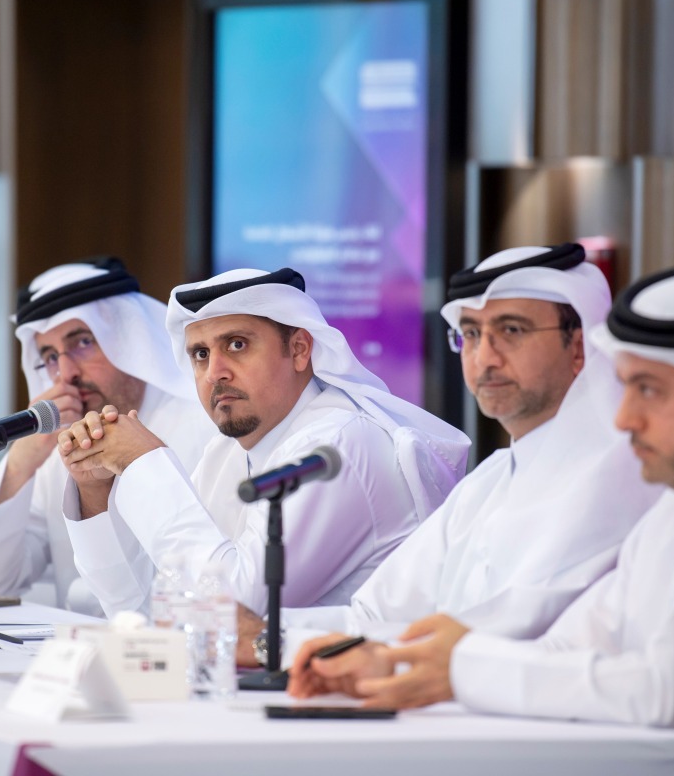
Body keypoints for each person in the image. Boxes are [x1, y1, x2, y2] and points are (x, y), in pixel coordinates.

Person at [290, 262, 674, 776]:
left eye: (649, 391)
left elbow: (666, 691)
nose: (623, 419)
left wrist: (458, 666)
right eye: (624, 389)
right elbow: (578, 640)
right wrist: (391, 663)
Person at [266, 244, 660, 665]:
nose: (484, 358)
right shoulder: (487, 483)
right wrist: (265, 634)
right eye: (471, 334)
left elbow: (500, 639)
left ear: (578, 346)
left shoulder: (620, 474)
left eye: (511, 331)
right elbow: (373, 615)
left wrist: (271, 643)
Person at [58, 267, 471, 624]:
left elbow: (232, 613)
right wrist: (96, 492)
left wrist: (143, 461)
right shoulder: (228, 454)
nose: (214, 372)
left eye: (236, 344)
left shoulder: (339, 445)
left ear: (299, 350)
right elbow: (150, 611)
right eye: (200, 354)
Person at [0, 260, 215, 614]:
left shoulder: (205, 428)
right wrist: (22, 461)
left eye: (84, 342)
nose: (66, 373)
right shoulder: (55, 446)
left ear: (129, 341)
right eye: (50, 357)